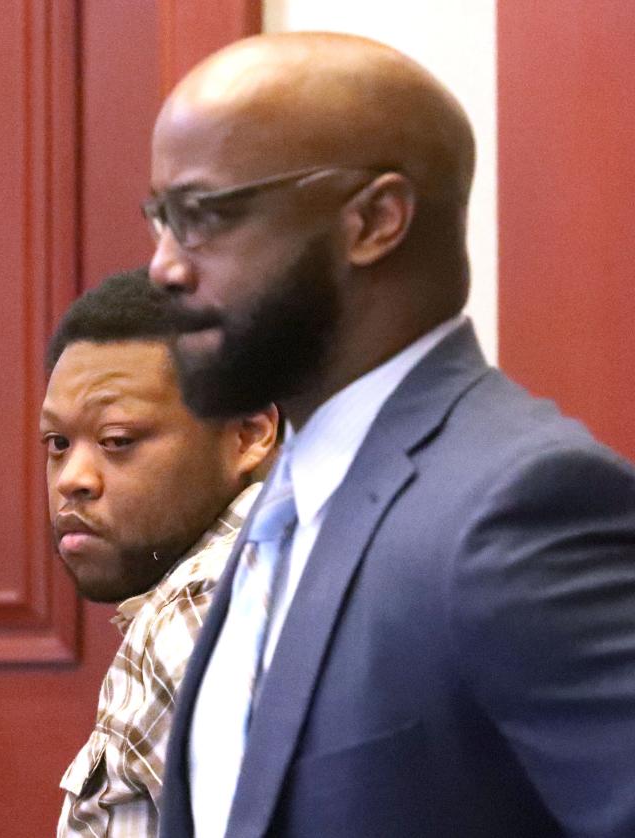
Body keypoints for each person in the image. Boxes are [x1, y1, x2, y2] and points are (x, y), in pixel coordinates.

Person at [143, 31, 635, 838]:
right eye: (161, 218)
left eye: (203, 216)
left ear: (374, 221)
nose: (163, 264)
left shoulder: (520, 509)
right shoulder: (288, 503)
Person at [42, 268, 278, 838]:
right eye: (57, 444)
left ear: (247, 435)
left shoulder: (201, 606)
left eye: (117, 441)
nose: (73, 478)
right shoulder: (272, 564)